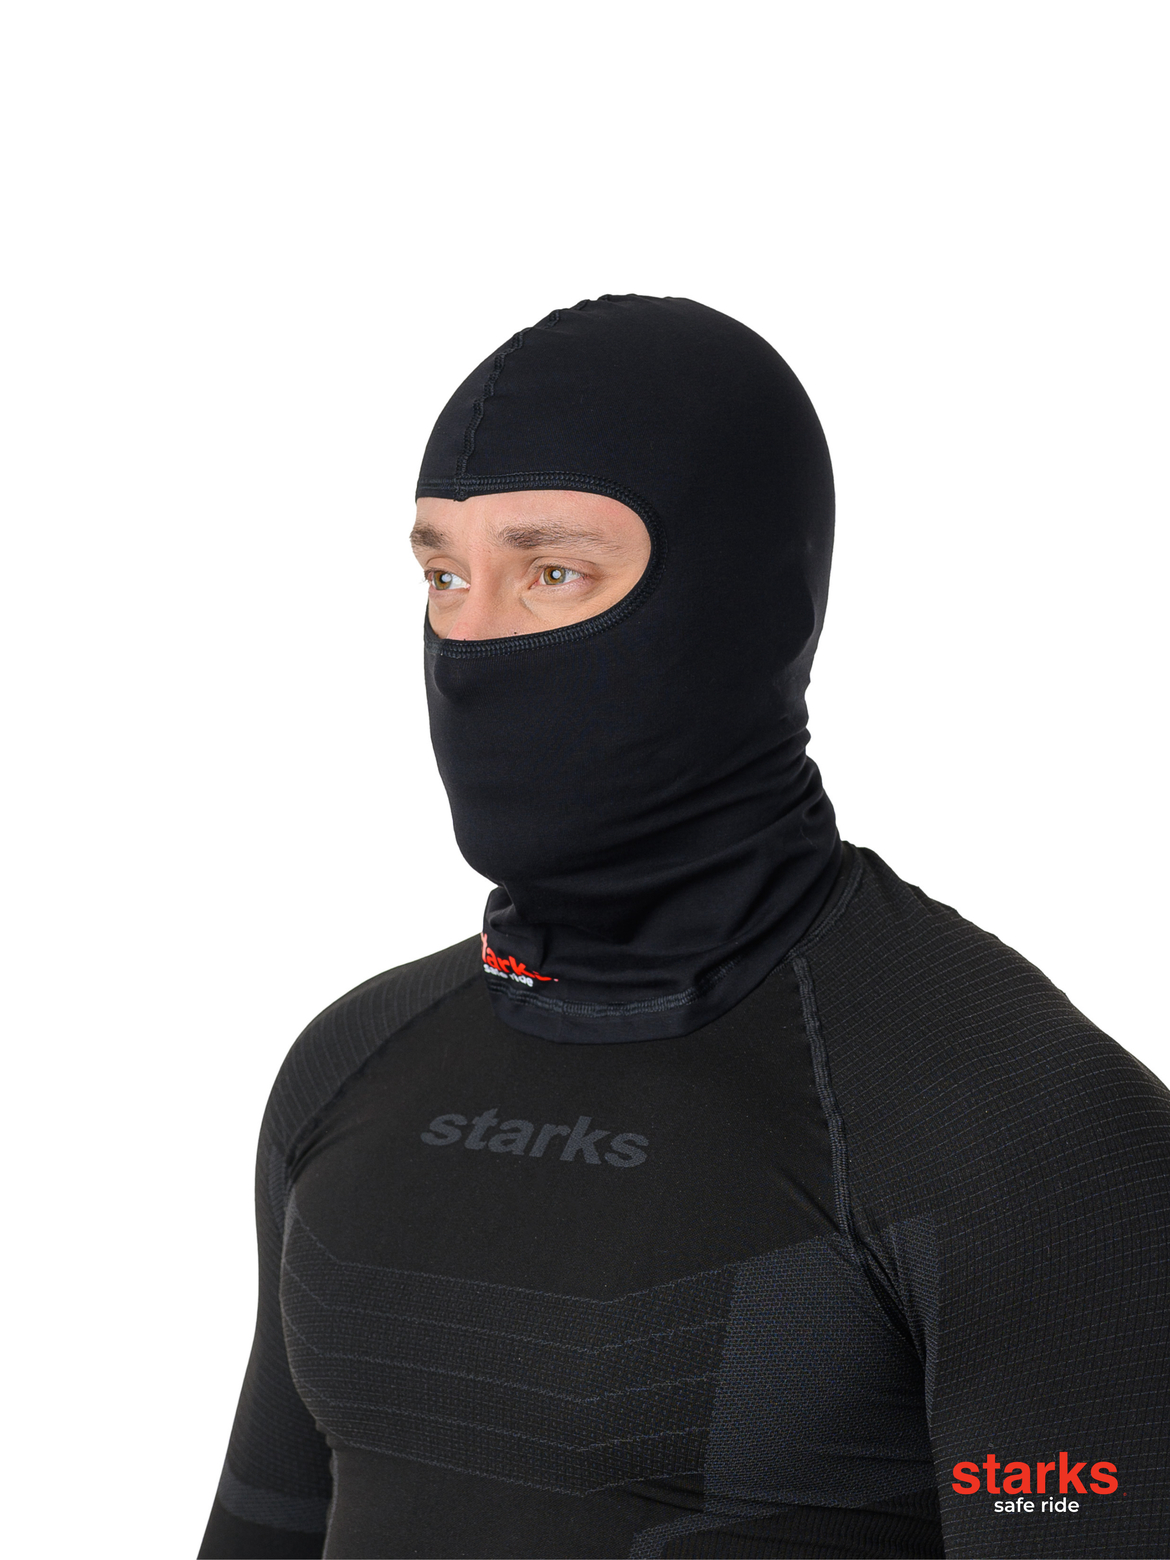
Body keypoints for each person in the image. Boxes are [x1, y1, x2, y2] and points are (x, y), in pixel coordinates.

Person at [198, 296, 1170, 1560]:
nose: (472, 639)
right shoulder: (351, 1064)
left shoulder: (1027, 1137)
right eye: (444, 576)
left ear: (741, 600)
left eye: (553, 573)